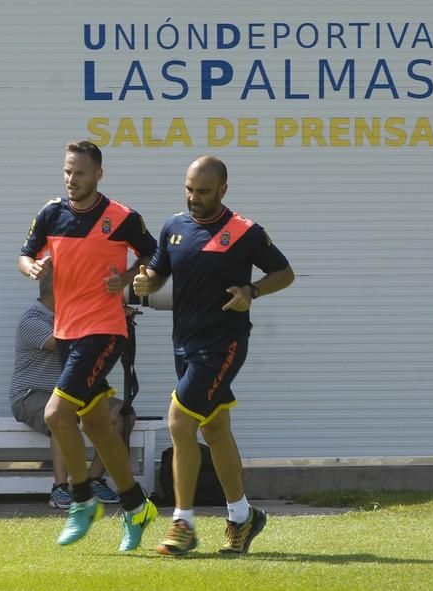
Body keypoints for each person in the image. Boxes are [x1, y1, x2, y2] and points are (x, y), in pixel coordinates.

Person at [133, 155, 294, 556]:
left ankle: (182, 524)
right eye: (188, 188)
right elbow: (157, 272)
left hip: (224, 344)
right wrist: (144, 281)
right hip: (183, 344)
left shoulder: (245, 231)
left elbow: (284, 272)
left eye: (202, 191)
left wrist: (251, 292)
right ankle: (242, 517)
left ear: (223, 190)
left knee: (179, 421)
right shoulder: (174, 227)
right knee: (216, 428)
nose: (193, 197)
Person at [18, 140, 158, 551]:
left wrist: (131, 276)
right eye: (67, 171)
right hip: (67, 332)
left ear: (98, 174)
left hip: (105, 330)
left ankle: (82, 500)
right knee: (96, 425)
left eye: (79, 172)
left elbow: (156, 258)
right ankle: (137, 507)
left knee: (57, 413)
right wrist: (34, 268)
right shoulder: (50, 213)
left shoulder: (122, 218)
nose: (71, 179)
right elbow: (24, 256)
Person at [9, 269, 136, 508]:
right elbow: (61, 344)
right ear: (58, 290)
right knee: (62, 414)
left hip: (71, 392)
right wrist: (101, 321)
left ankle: (94, 479)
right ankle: (60, 488)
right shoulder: (32, 319)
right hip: (31, 395)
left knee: (123, 414)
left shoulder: (72, 317)